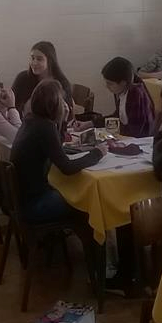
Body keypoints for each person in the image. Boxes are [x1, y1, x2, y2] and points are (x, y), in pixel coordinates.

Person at [11, 79, 107, 224]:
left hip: (21, 200)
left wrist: (63, 121)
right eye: (62, 101)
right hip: (33, 204)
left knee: (72, 193)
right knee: (85, 200)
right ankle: (93, 238)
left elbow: (55, 147)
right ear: (54, 105)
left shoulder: (30, 120)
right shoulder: (45, 127)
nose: (64, 104)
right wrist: (97, 153)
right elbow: (67, 168)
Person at [97, 57, 154, 138]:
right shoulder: (122, 90)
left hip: (139, 140)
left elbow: (135, 130)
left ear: (123, 83)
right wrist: (90, 123)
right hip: (128, 136)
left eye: (110, 83)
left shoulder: (136, 94)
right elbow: (117, 116)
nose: (107, 86)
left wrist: (108, 131)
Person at [12, 41, 74, 113]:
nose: (34, 63)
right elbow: (11, 103)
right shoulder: (22, 78)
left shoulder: (62, 84)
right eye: (32, 58)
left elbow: (67, 112)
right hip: (21, 119)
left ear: (50, 61)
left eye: (39, 59)